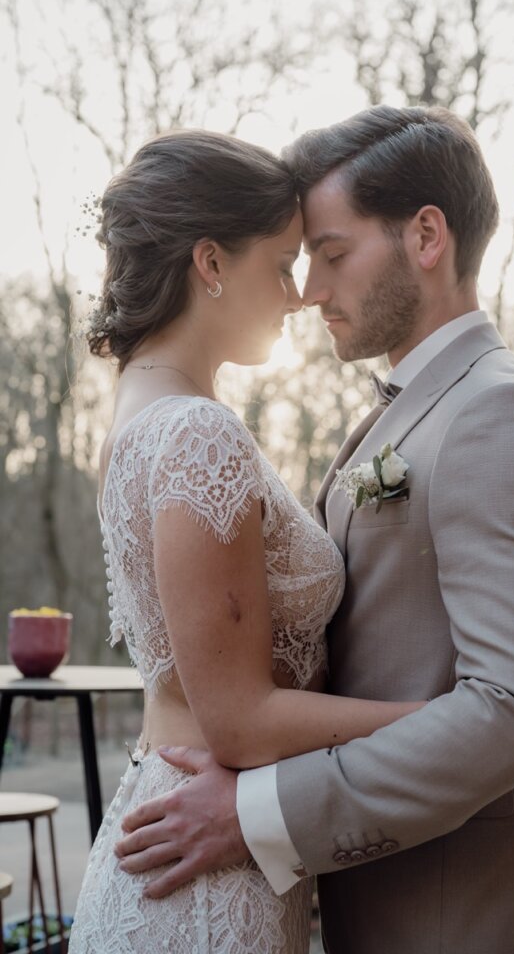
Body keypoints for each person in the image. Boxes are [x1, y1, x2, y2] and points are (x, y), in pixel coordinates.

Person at [114, 106, 514, 954]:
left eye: (332, 254)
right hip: (372, 893)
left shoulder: (501, 414)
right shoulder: (403, 417)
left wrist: (261, 813)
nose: (308, 291)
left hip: (458, 910)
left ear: (425, 237)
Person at [67, 128, 428, 954]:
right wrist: (435, 719)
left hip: (185, 836)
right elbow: (237, 719)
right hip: (200, 882)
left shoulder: (134, 419)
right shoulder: (197, 434)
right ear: (211, 264)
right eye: (283, 262)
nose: (300, 293)